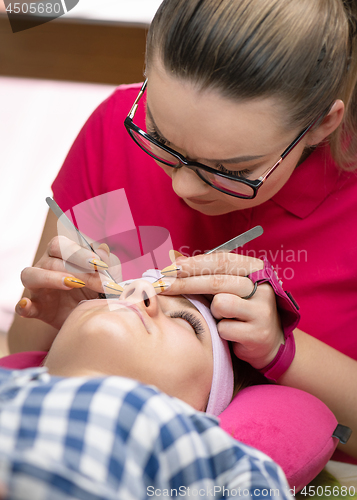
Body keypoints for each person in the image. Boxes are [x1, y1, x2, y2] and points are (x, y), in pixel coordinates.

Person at [7, 0, 357, 461]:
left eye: (233, 168)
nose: (182, 185)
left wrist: (280, 349)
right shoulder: (115, 137)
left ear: (322, 124)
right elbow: (22, 356)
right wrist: (53, 317)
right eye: (162, 138)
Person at [0, 279, 292, 500]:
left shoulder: (202, 446)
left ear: (204, 409)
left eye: (185, 321)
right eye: (110, 293)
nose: (137, 293)